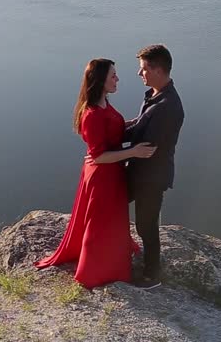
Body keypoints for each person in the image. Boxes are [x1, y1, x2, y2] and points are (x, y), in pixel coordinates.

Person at [35, 58, 156, 289]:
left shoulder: (103, 105)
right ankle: (96, 269)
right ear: (100, 80)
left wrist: (140, 122)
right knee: (100, 223)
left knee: (109, 220)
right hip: (102, 176)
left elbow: (113, 131)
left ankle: (112, 255)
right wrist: (134, 152)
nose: (117, 79)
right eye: (113, 75)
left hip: (112, 173)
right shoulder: (92, 114)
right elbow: (99, 156)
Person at [124, 44, 185, 290]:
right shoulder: (156, 94)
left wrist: (107, 141)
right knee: (112, 205)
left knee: (146, 225)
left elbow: (144, 140)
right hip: (141, 172)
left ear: (158, 70)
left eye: (144, 69)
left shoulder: (167, 106)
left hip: (151, 176)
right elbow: (139, 123)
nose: (140, 74)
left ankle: (152, 276)